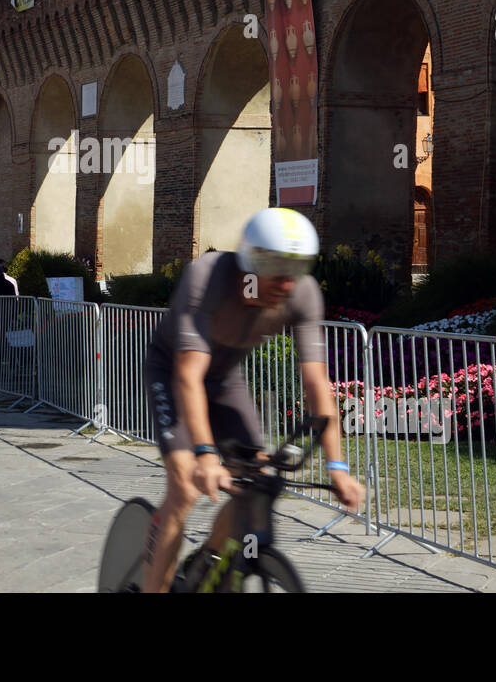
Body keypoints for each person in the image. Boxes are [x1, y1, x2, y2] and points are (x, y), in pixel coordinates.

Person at [139, 207, 365, 592]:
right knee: (185, 489)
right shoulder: (209, 275)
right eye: (277, 269)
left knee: (256, 482)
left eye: (297, 269)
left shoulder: (302, 293)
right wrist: (207, 454)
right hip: (173, 373)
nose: (287, 283)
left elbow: (316, 383)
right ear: (251, 262)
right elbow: (188, 375)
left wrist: (338, 467)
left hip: (226, 381)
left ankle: (208, 562)